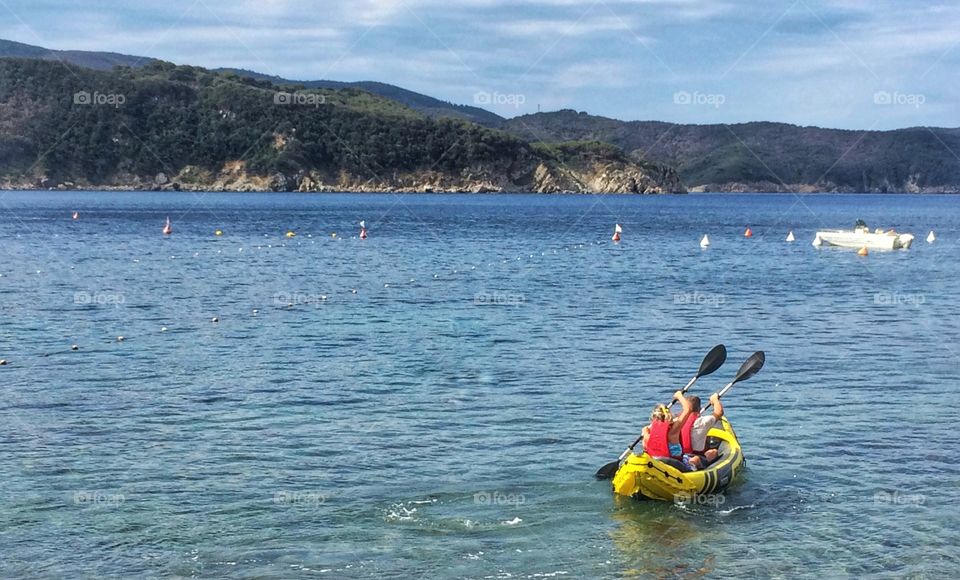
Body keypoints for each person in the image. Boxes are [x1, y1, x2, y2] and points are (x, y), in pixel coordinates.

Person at [641, 390, 692, 460]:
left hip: (655, 461)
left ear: (653, 418)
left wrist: (645, 431)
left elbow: (645, 448)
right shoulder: (674, 430)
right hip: (675, 462)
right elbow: (688, 409)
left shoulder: (646, 433)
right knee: (696, 459)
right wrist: (679, 396)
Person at [679, 393, 723, 470]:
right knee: (714, 452)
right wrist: (715, 400)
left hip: (678, 455)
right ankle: (692, 464)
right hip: (694, 455)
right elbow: (719, 412)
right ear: (699, 409)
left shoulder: (677, 421)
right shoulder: (703, 422)